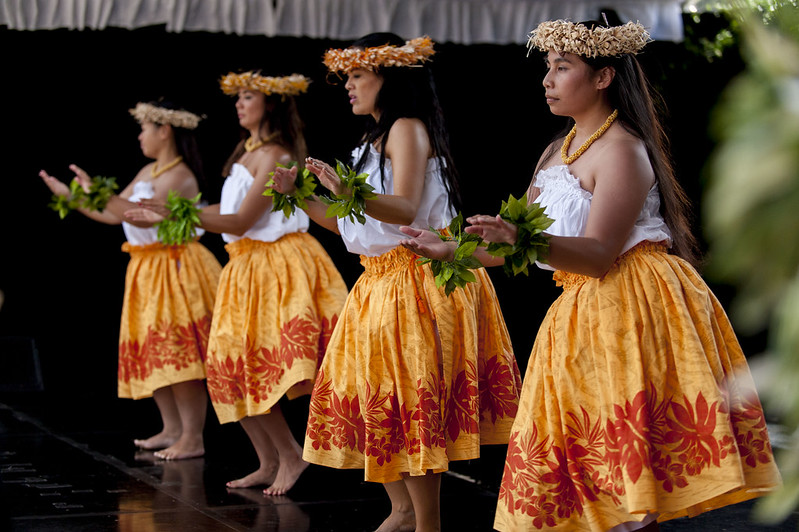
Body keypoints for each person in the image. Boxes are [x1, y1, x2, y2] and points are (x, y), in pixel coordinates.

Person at [400, 18, 783, 532]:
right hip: (581, 312)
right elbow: (515, 248)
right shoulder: (554, 153)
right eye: (547, 69)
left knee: (628, 466)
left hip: (635, 304)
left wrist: (522, 240)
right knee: (586, 465)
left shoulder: (623, 149)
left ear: (603, 77)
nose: (547, 80)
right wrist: (449, 250)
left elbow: (600, 252)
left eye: (562, 68)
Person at [270, 33, 522, 532]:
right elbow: (351, 225)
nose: (348, 86)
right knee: (374, 399)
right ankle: (402, 510)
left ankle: (427, 522)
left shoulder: (406, 128)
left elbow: (404, 207)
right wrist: (300, 197)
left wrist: (349, 192)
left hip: (417, 279)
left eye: (357, 75)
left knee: (409, 401)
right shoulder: (371, 140)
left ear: (389, 77)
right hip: (379, 281)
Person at [129, 70, 348, 495]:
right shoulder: (247, 152)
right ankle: (268, 460)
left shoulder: (277, 155)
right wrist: (174, 211)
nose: (239, 104)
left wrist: (175, 212)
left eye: (249, 97)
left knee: (255, 367)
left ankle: (290, 456)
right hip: (244, 267)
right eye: (239, 97)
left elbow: (243, 220)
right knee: (228, 371)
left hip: (276, 268)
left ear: (272, 104)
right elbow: (228, 216)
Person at [39, 99, 222, 461]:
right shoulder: (148, 171)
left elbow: (140, 218)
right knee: (154, 349)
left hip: (175, 269)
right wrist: (74, 198)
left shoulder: (179, 176)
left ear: (163, 130)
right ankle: (171, 428)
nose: (140, 136)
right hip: (146, 270)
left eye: (144, 129)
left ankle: (192, 436)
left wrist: (99, 194)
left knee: (179, 353)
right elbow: (114, 216)